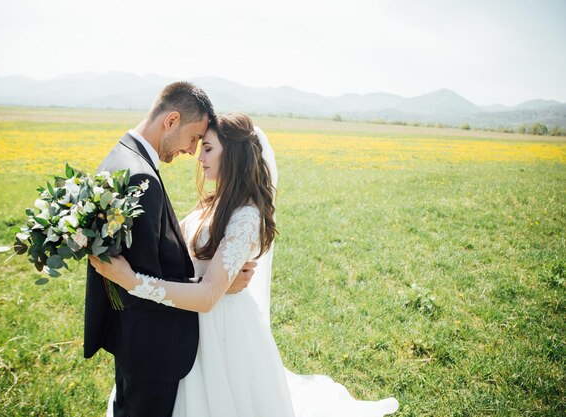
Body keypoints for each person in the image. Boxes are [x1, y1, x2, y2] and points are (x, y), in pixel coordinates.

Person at [91, 112, 399, 416]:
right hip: (189, 322)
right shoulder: (212, 202)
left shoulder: (245, 217)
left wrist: (131, 280)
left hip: (223, 331)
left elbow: (209, 296)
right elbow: (184, 257)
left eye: (208, 148)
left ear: (234, 153)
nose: (199, 158)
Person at [84, 82, 256, 417]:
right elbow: (141, 278)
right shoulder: (140, 179)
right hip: (152, 344)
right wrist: (213, 288)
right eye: (195, 139)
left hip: (147, 340)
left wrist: (214, 281)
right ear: (171, 120)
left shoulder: (123, 155)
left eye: (205, 147)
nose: (193, 153)